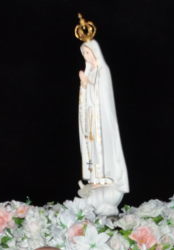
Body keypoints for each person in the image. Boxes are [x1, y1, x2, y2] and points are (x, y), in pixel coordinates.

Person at [76, 34, 129, 216]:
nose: (86, 57)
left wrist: (88, 83)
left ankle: (106, 176)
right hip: (91, 118)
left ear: (95, 53)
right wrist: (84, 85)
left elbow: (103, 95)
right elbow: (86, 98)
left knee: (104, 148)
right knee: (92, 147)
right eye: (84, 54)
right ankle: (95, 178)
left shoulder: (102, 71)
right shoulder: (90, 71)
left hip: (102, 120)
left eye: (88, 53)